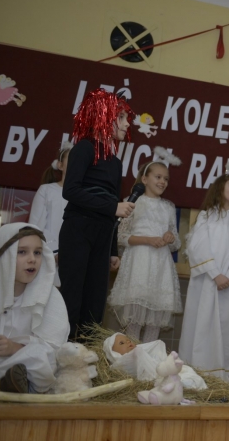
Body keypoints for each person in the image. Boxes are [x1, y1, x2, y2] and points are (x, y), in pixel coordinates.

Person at [58, 89, 136, 340]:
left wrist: (112, 250)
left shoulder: (115, 162)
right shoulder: (84, 148)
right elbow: (70, 191)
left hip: (103, 235)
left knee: (95, 301)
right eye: (121, 117)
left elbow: (113, 208)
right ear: (103, 117)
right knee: (72, 297)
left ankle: (87, 353)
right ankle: (64, 351)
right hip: (78, 230)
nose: (127, 123)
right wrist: (112, 208)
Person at [179, 166, 229, 383]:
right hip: (207, 282)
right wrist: (215, 274)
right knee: (202, 326)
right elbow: (198, 246)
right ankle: (197, 376)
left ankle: (226, 380)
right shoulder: (205, 217)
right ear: (219, 188)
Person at [108, 148, 183, 343]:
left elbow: (176, 242)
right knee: (135, 319)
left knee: (154, 321)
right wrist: (148, 240)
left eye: (166, 179)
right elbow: (121, 236)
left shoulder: (168, 207)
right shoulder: (131, 203)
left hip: (161, 266)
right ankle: (131, 356)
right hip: (139, 263)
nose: (162, 182)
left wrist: (169, 237)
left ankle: (149, 358)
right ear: (144, 179)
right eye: (158, 177)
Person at [0, 223, 69, 393]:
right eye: (22, 252)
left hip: (23, 364)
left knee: (41, 360)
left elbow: (53, 350)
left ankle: (6, 384)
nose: (32, 259)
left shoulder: (50, 296)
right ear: (4, 257)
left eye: (37, 252)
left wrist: (13, 348)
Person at [29, 141, 73, 287]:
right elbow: (35, 226)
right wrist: (54, 252)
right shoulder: (46, 190)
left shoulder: (86, 196)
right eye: (72, 159)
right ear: (60, 165)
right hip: (48, 256)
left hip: (75, 259)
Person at [103, 332, 207, 389]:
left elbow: (154, 358)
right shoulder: (118, 366)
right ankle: (179, 383)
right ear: (113, 353)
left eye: (128, 340)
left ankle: (181, 381)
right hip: (156, 377)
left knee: (186, 370)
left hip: (160, 370)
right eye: (122, 343)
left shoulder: (139, 351)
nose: (128, 342)